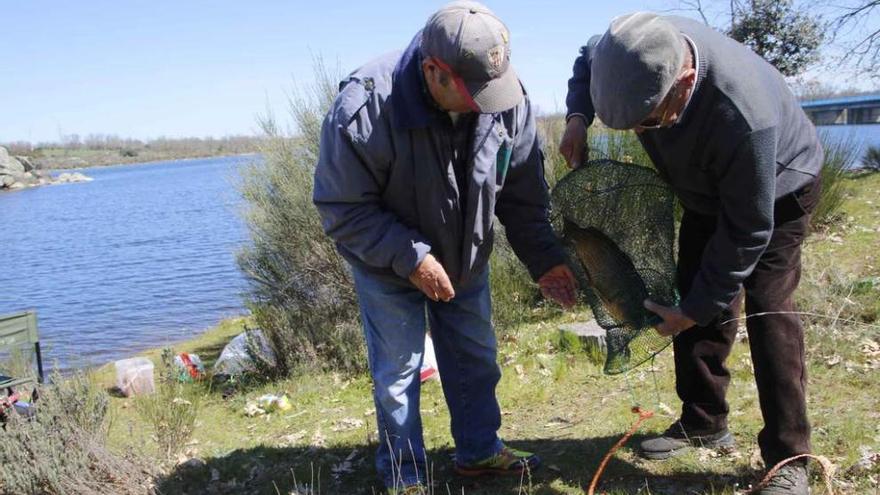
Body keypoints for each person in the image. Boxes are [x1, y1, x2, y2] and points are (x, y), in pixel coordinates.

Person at [313, 2, 578, 492]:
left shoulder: (506, 98)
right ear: (433, 71)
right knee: (398, 375)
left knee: (476, 357)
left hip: (467, 258)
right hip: (387, 265)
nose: (487, 103)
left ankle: (479, 452)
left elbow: (521, 194)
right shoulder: (366, 104)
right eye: (473, 92)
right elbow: (341, 206)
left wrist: (544, 260)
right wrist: (412, 258)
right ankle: (404, 475)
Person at [559, 12, 823, 495]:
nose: (643, 132)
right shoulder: (626, 49)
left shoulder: (744, 118)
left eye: (650, 121)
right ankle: (704, 421)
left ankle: (790, 458)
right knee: (693, 290)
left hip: (779, 189)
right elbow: (587, 57)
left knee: (768, 309)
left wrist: (695, 310)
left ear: (683, 79)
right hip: (703, 190)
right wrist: (579, 116)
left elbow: (747, 230)